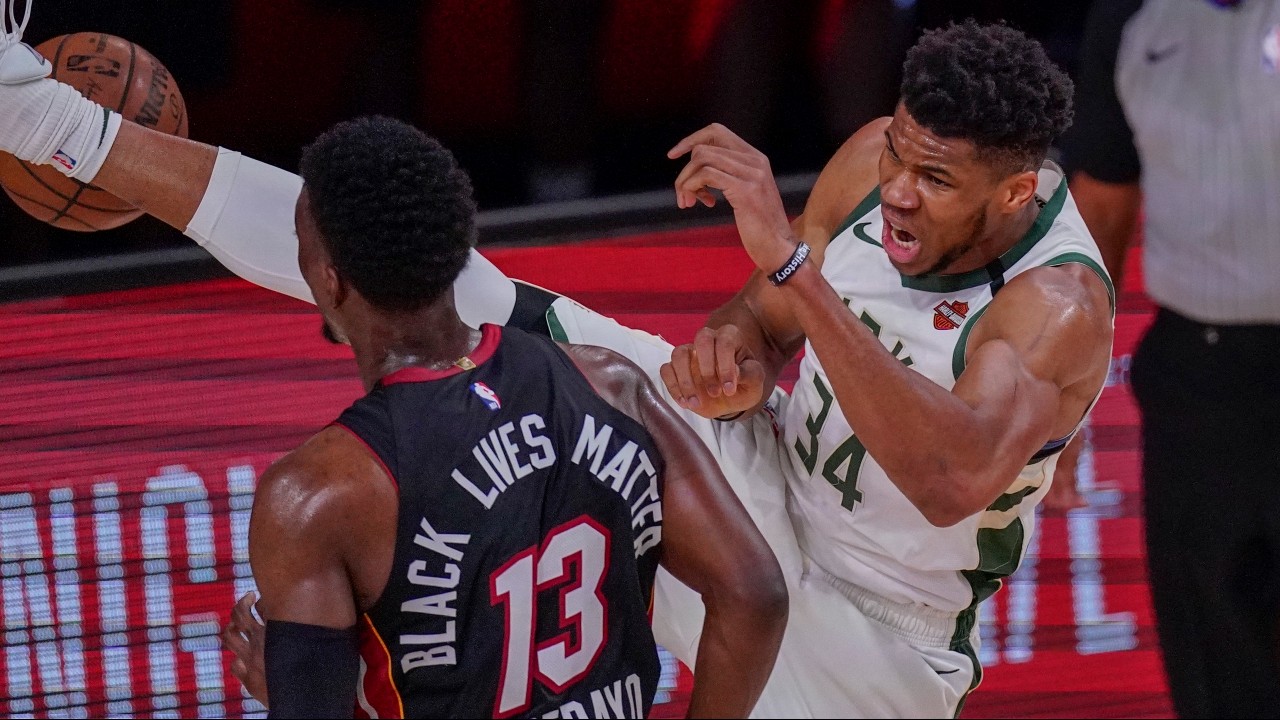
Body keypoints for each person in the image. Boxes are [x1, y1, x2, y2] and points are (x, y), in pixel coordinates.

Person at [0, 18, 1113, 717]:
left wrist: (785, 267)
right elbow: (772, 318)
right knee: (440, 281)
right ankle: (53, 122)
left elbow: (948, 473)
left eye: (935, 180)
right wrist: (737, 336)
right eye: (903, 159)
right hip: (755, 474)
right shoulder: (880, 155)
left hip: (874, 640)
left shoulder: (1055, 307)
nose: (901, 191)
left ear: (1013, 194)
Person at [1058, 1, 1280, 716]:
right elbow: (1102, 207)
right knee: (1219, 665)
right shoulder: (1129, 16)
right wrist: (1067, 387)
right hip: (1202, 380)